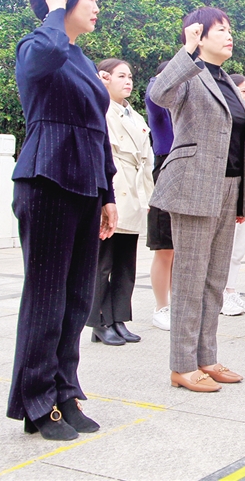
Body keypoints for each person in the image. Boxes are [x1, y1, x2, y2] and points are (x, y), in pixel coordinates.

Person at [8, 0, 116, 441]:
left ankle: (66, 391)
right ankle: (38, 401)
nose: (96, 6)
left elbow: (98, 130)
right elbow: (44, 57)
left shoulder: (83, 61)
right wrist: (52, 13)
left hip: (86, 181)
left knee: (76, 298)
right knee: (47, 295)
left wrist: (108, 193)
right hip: (48, 176)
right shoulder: (39, 45)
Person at [148, 7, 245, 391]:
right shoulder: (188, 74)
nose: (229, 35)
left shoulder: (227, 81)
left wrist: (243, 196)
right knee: (190, 279)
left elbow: (240, 140)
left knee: (214, 280)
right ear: (198, 34)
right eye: (220, 29)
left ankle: (206, 357)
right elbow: (158, 94)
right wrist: (188, 51)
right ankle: (182, 365)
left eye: (229, 29)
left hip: (228, 186)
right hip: (194, 186)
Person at [88, 59, 155, 345]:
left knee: (126, 264)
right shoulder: (100, 109)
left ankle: (118, 318)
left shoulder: (135, 116)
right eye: (121, 76)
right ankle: (98, 321)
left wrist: (149, 196)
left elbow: (147, 160)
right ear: (105, 79)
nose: (128, 81)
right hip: (114, 188)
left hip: (135, 191)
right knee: (103, 263)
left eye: (130, 76)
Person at [221, 73, 245, 316]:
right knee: (224, 249)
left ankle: (231, 290)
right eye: (241, 90)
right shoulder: (227, 118)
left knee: (238, 250)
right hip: (229, 192)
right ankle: (220, 294)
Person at [145, 61, 174, 331]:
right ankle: (161, 307)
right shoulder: (160, 105)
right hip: (165, 169)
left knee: (182, 250)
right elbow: (154, 92)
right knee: (165, 247)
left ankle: (178, 305)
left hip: (188, 170)